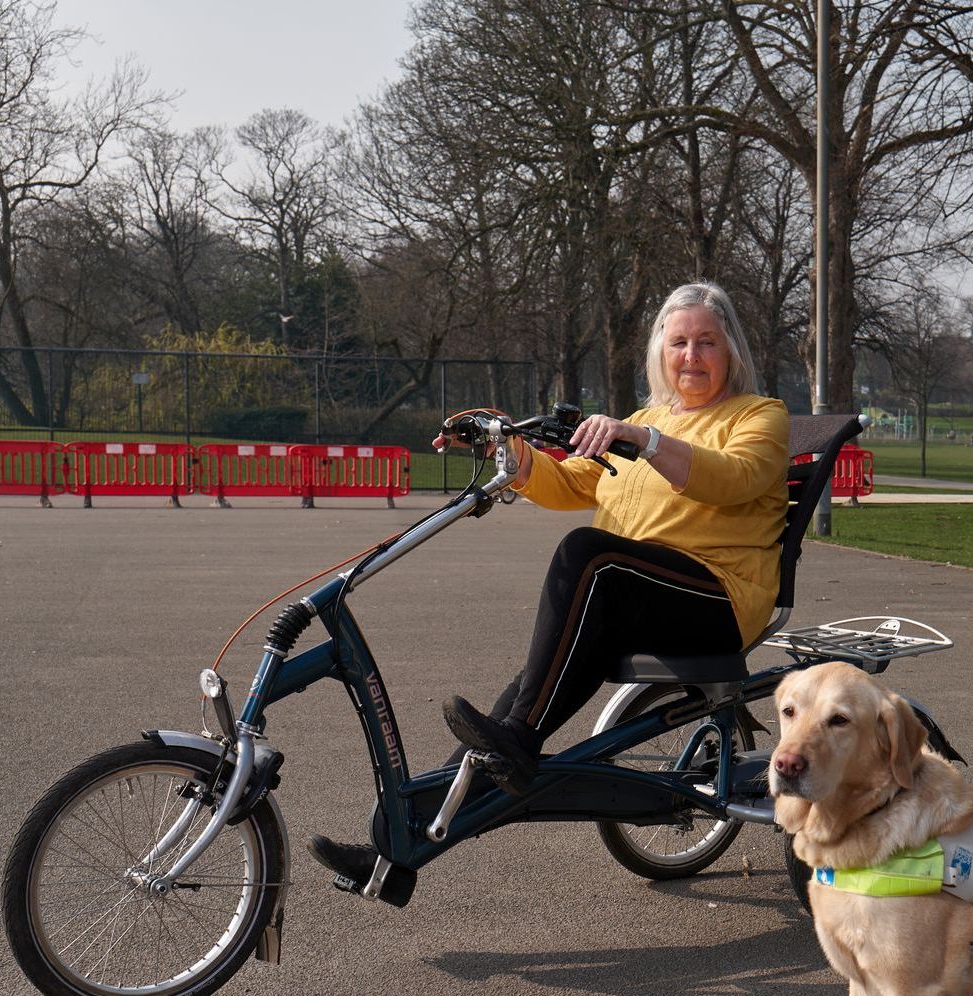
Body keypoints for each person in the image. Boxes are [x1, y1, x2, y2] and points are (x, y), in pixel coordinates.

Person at [308, 281, 790, 882]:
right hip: (628, 596)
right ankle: (397, 847)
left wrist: (647, 441)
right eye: (679, 343)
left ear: (732, 352)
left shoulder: (758, 417)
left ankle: (513, 741)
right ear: (660, 354)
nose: (691, 356)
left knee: (587, 557)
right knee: (521, 699)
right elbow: (571, 483)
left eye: (706, 343)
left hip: (714, 597)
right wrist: (506, 445)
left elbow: (733, 479)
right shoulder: (646, 418)